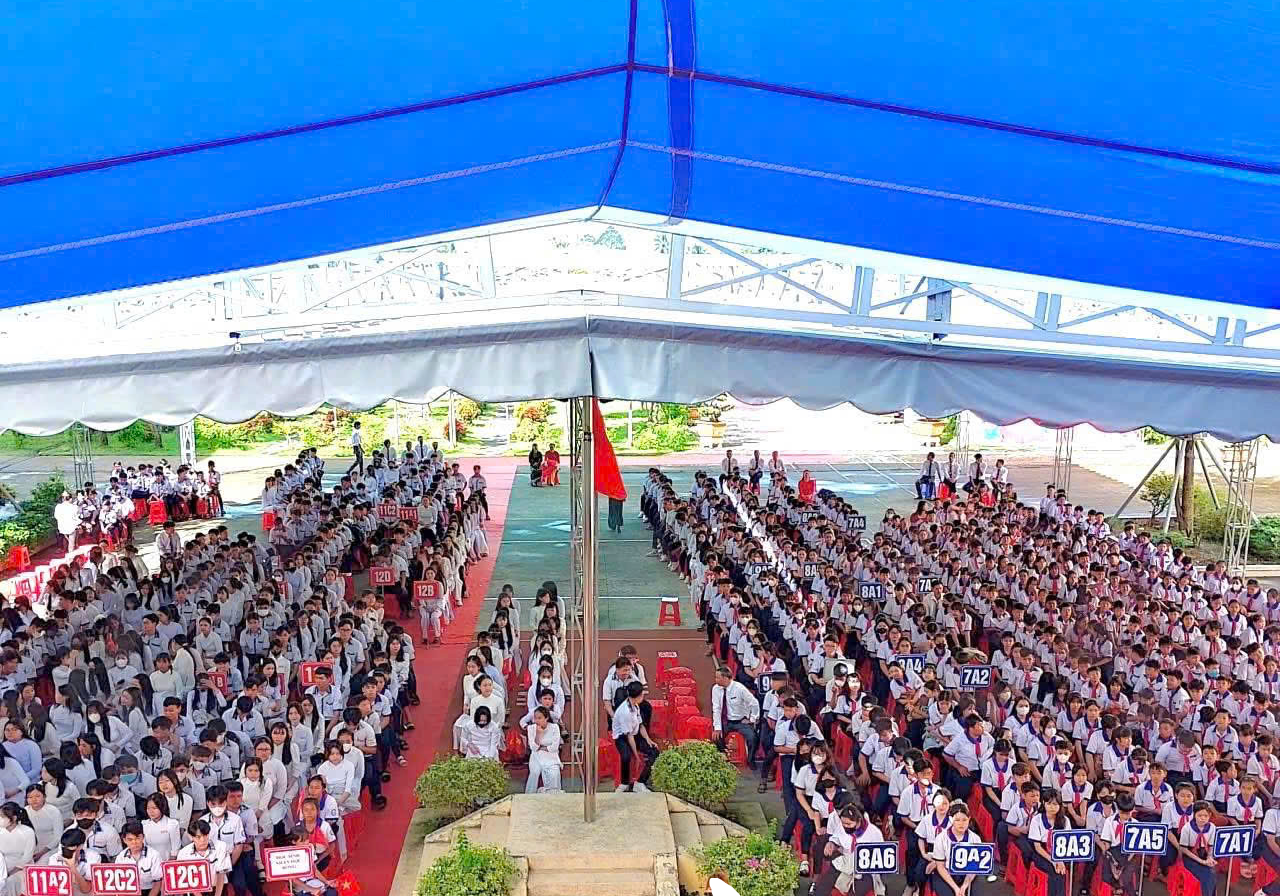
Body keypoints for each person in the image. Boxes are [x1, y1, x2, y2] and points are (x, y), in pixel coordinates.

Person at [612, 681, 657, 793]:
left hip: (634, 733)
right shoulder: (624, 712)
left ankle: (640, 782)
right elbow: (629, 737)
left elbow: (641, 725)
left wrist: (648, 740)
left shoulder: (635, 705)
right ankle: (624, 783)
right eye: (642, 694)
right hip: (622, 737)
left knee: (654, 751)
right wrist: (636, 756)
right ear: (637, 696)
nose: (643, 696)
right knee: (626, 756)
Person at [711, 666, 760, 766]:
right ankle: (724, 758)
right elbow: (716, 709)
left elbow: (754, 703)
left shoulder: (739, 688)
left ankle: (751, 760)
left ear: (725, 678)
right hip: (726, 721)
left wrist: (752, 719)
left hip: (741, 722)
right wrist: (717, 727)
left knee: (752, 738)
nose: (715, 679)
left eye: (717, 677)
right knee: (716, 737)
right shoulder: (715, 689)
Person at [525, 706, 563, 793]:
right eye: (535, 718)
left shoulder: (554, 727)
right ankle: (530, 794)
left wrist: (541, 747)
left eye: (539, 718)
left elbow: (554, 747)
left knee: (554, 773)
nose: (537, 721)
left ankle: (552, 794)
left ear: (546, 718)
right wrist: (538, 734)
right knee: (534, 772)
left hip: (551, 756)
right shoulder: (531, 728)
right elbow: (534, 748)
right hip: (536, 756)